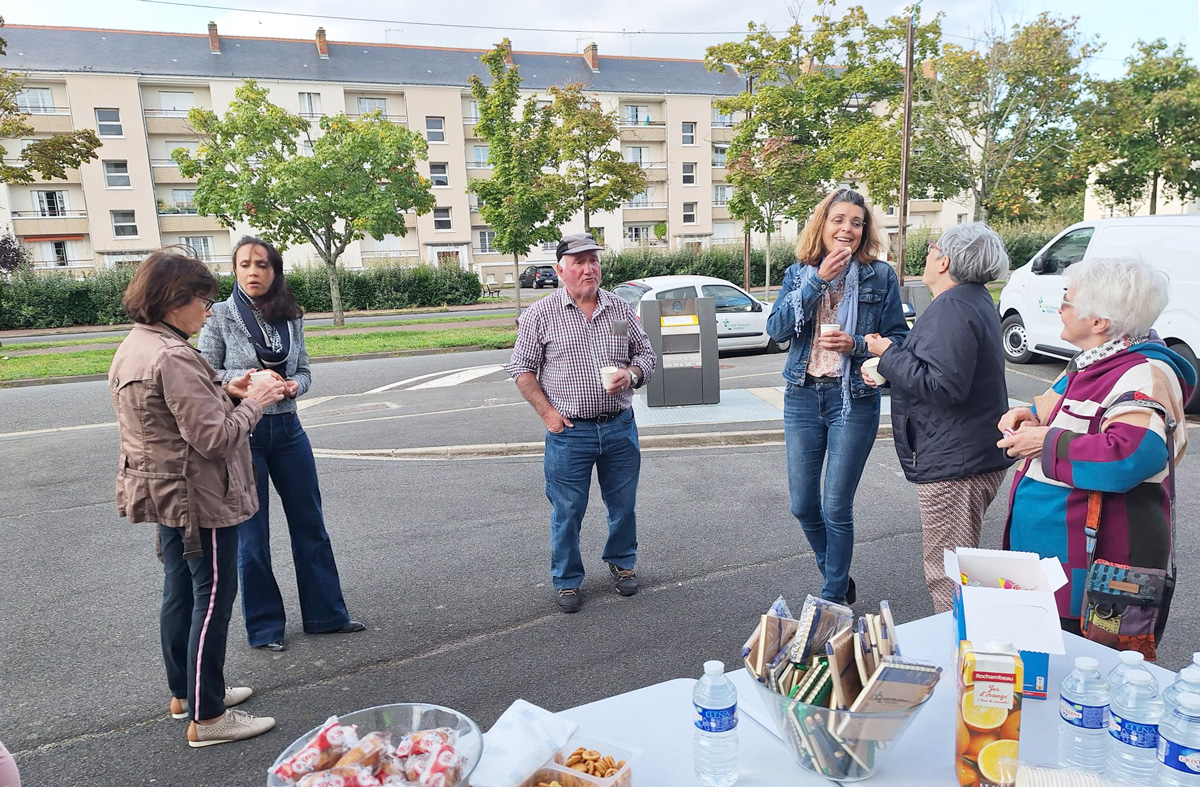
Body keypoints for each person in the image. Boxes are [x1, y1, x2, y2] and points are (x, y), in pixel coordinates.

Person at [109, 249, 285, 746]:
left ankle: (186, 693)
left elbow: (171, 416)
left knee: (181, 593)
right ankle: (207, 716)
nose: (209, 311)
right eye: (203, 300)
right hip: (199, 497)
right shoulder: (174, 355)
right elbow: (213, 439)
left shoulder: (138, 345)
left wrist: (227, 389)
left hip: (164, 492)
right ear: (174, 300)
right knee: (212, 600)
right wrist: (254, 402)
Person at [998, 258, 1194, 636]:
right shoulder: (1095, 360)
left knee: (1082, 669)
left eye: (1067, 301)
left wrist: (1046, 440)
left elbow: (1131, 454)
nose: (1061, 308)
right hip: (1061, 556)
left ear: (1099, 322)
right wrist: (1029, 417)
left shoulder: (1144, 372)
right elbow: (1062, 414)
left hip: (1094, 565)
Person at [199, 237, 364, 652]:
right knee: (252, 538)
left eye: (262, 265)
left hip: (289, 431)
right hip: (244, 434)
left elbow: (305, 370)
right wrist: (249, 380)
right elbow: (207, 373)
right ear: (234, 271)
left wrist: (293, 386)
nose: (253, 272)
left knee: (311, 526)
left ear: (275, 271)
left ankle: (327, 615)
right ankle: (265, 628)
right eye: (244, 265)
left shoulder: (290, 315)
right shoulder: (219, 315)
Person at [766, 188, 908, 605]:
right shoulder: (799, 273)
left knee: (835, 507)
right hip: (803, 396)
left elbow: (899, 338)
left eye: (857, 222)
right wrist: (818, 280)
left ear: (864, 232)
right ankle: (838, 575)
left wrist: (858, 344)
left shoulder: (880, 276)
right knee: (803, 505)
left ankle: (831, 600)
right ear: (823, 226)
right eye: (839, 220)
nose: (847, 228)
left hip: (854, 399)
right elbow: (776, 330)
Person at [861, 222, 1013, 612]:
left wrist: (887, 355)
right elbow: (945, 371)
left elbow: (944, 386)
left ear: (944, 260)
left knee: (947, 571)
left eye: (932, 247)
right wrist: (890, 364)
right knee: (955, 564)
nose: (927, 253)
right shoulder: (972, 300)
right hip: (967, 453)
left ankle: (961, 658)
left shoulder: (953, 307)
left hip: (956, 461)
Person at [505, 232, 656, 613]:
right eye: (579, 262)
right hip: (570, 432)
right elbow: (521, 369)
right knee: (568, 509)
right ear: (561, 270)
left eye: (593, 260)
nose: (589, 268)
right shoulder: (540, 314)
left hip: (620, 426)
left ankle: (622, 564)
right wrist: (548, 415)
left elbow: (647, 355)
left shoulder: (620, 309)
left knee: (623, 505)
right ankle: (568, 579)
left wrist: (633, 375)